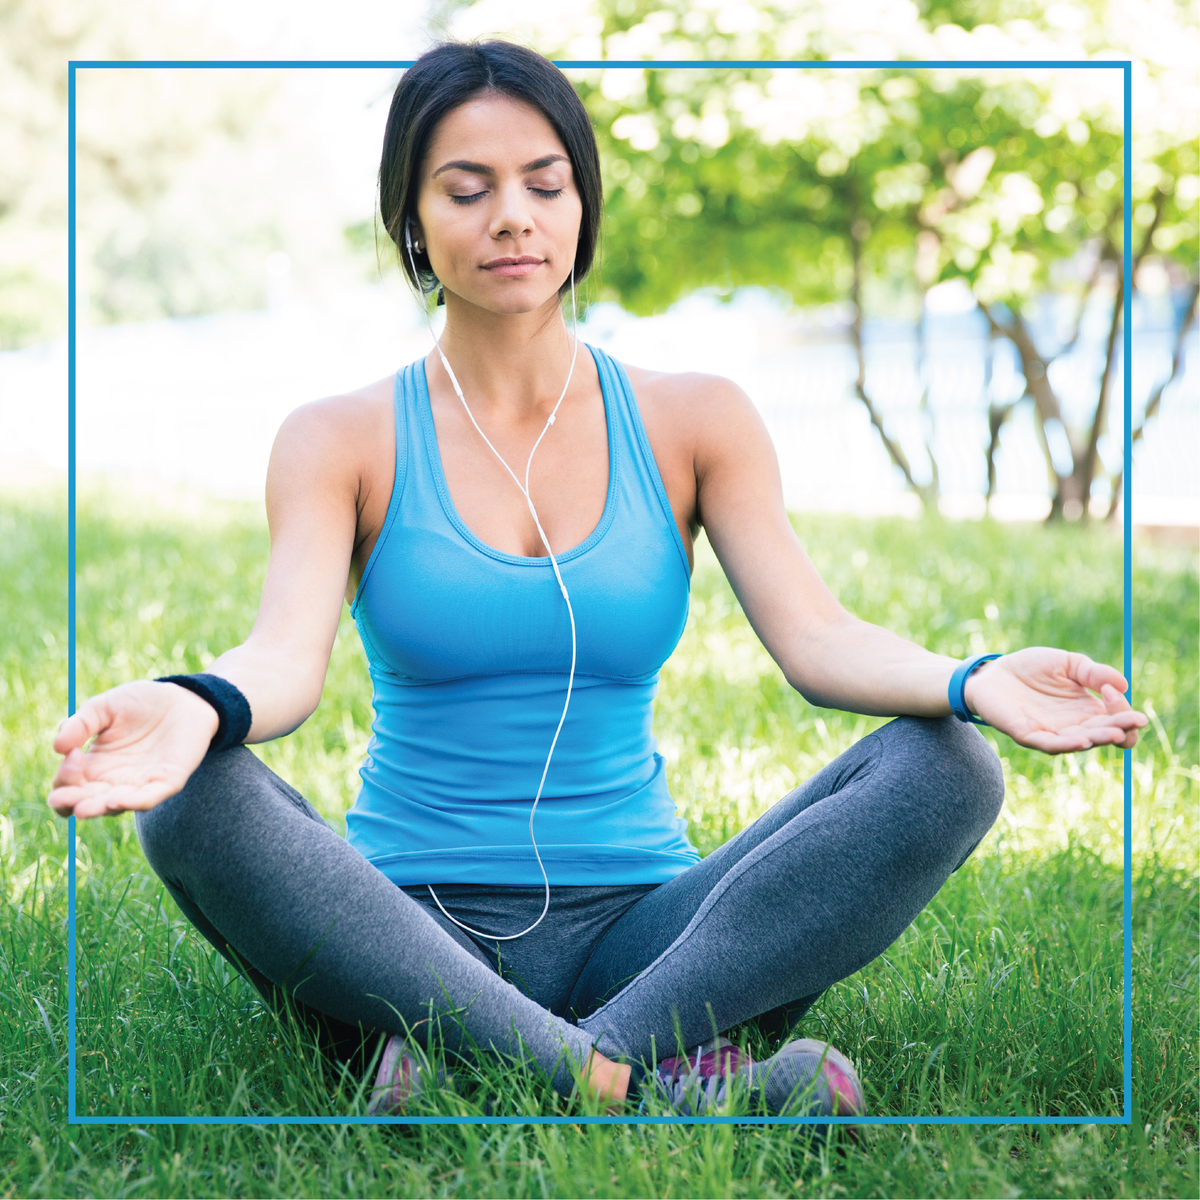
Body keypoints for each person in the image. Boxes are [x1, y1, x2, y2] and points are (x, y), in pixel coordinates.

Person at [48, 41, 1146, 1121]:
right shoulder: (341, 436)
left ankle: (490, 1067)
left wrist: (977, 677)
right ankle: (649, 1076)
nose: (512, 216)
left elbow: (818, 639)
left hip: (650, 936)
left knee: (948, 767)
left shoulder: (693, 417)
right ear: (414, 224)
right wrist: (195, 702)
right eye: (466, 189)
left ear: (583, 205)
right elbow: (283, 662)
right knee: (194, 792)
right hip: (410, 931)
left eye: (545, 182)